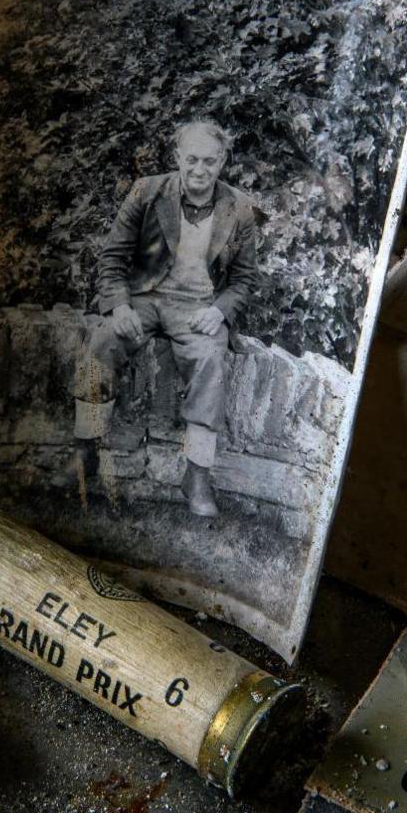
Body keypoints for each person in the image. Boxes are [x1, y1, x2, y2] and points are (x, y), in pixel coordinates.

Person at [57, 120, 262, 516]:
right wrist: (119, 306)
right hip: (146, 297)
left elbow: (244, 280)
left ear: (222, 162)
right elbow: (113, 258)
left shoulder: (239, 209)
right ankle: (86, 450)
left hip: (198, 307)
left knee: (210, 361)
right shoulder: (147, 192)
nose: (199, 171)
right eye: (191, 160)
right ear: (177, 159)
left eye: (209, 162)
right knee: (102, 343)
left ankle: (197, 475)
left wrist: (218, 311)